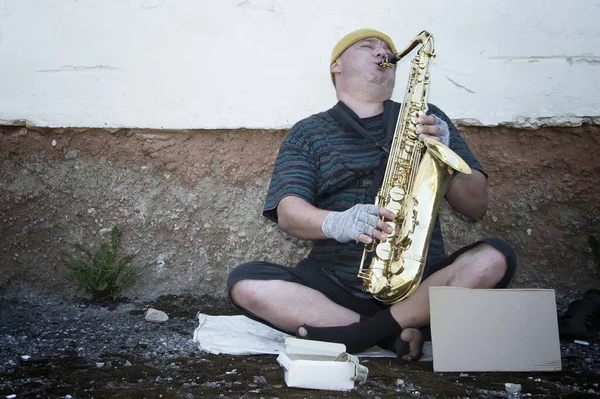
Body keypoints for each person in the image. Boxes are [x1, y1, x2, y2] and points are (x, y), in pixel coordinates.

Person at [227, 28, 517, 361]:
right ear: (337, 65)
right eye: (369, 46)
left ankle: (364, 334)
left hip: (421, 285)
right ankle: (397, 334)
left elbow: (476, 205)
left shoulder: (428, 119)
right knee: (245, 283)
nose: (383, 52)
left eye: (388, 49)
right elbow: (289, 211)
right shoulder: (308, 132)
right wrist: (338, 222)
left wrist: (443, 146)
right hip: (334, 286)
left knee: (495, 257)